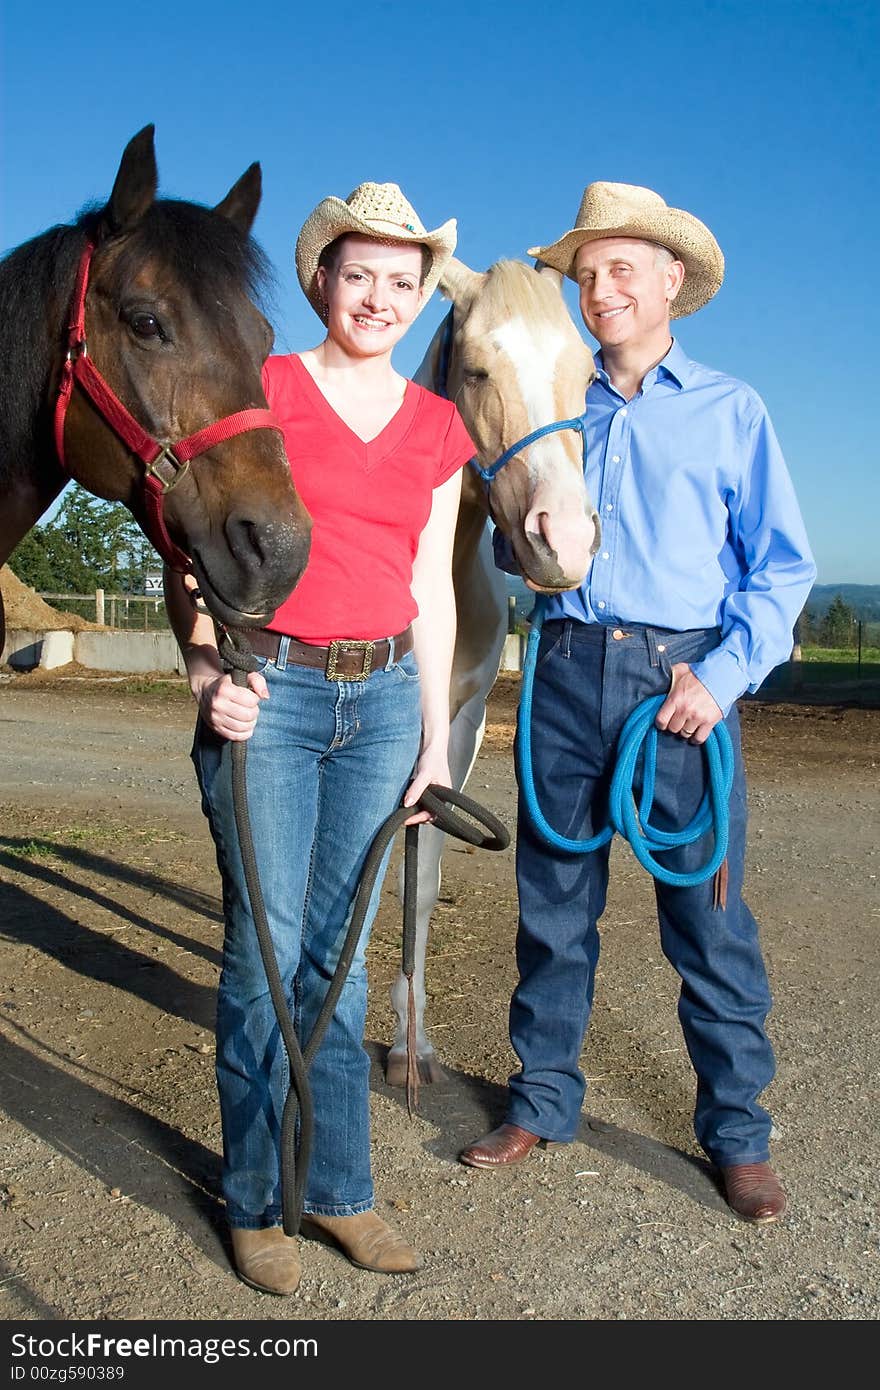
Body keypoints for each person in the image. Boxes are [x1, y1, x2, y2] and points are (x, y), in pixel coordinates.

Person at [459, 182, 817, 1224]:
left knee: (707, 918)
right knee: (552, 911)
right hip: (566, 667)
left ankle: (738, 1135)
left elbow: (780, 569)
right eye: (587, 273)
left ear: (672, 282)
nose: (601, 289)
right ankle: (540, 1100)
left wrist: (724, 678)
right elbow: (513, 538)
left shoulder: (730, 409)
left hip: (679, 682)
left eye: (623, 269)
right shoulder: (553, 400)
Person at [165, 181, 474, 1294]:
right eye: (359, 276)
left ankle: (340, 1191)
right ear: (322, 283)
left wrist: (437, 744)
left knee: (339, 970)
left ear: (419, 294)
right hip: (273, 694)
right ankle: (255, 1202)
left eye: (402, 281)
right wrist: (208, 670)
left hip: (384, 702)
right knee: (263, 955)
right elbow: (191, 539)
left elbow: (431, 589)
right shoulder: (266, 386)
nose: (379, 298)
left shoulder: (440, 426)